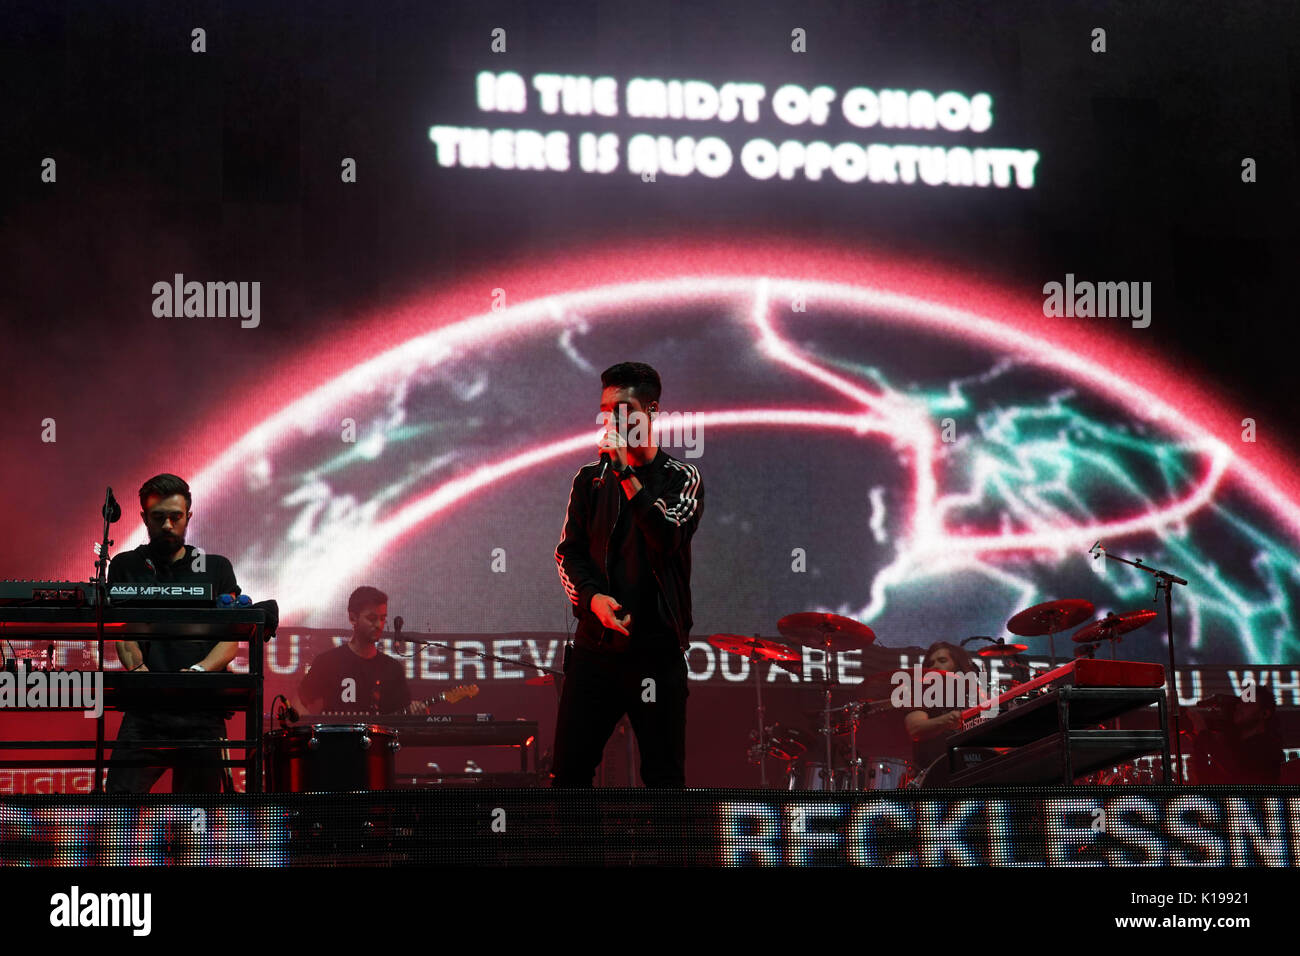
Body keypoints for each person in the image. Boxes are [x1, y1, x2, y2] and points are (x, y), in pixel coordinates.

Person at [552, 362, 704, 788]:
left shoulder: (682, 478)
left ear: (652, 411)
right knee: (569, 774)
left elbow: (667, 537)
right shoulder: (588, 481)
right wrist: (592, 601)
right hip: (595, 653)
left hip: (656, 654)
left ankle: (666, 858)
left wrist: (626, 475)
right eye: (605, 410)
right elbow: (568, 555)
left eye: (623, 409)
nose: (611, 420)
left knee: (664, 778)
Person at [106, 474, 240, 794]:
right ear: (144, 519)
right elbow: (123, 631)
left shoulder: (216, 568)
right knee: (117, 808)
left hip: (202, 713)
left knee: (195, 824)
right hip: (145, 712)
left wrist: (196, 672)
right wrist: (143, 675)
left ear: (188, 517)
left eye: (175, 517)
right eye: (158, 517)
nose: (167, 525)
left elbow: (231, 637)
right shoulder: (126, 565)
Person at [294, 586, 427, 716]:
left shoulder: (392, 668)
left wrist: (418, 713)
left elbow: (403, 722)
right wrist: (309, 729)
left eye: (382, 618)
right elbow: (298, 702)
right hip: (334, 738)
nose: (379, 625)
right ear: (353, 618)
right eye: (371, 618)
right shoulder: (328, 662)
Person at [903, 641, 983, 786]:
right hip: (934, 778)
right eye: (930, 663)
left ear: (958, 666)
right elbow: (915, 728)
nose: (934, 666)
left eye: (942, 660)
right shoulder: (920, 694)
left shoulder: (974, 695)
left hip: (973, 773)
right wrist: (946, 720)